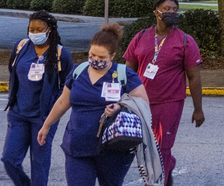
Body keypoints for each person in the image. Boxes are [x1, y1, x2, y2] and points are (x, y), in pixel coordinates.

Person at [37, 23, 149, 186]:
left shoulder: (125, 75)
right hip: (77, 146)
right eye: (92, 55)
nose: (95, 60)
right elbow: (63, 101)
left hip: (114, 149)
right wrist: (46, 125)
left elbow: (143, 103)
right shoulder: (78, 72)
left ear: (112, 56)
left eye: (101, 57)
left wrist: (120, 106)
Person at [124, 0, 204, 186]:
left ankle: (155, 180)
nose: (171, 12)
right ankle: (167, 167)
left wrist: (198, 109)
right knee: (145, 147)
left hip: (170, 102)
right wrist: (123, 101)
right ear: (156, 12)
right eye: (166, 8)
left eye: (174, 9)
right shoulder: (141, 37)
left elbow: (194, 77)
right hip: (142, 102)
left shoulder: (185, 41)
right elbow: (127, 72)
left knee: (161, 147)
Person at [2, 10, 75, 186]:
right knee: (9, 159)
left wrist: (52, 110)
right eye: (32, 29)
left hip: (44, 118)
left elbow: (68, 85)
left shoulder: (60, 54)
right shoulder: (20, 47)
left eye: (39, 29)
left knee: (39, 165)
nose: (35, 33)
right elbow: (13, 72)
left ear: (49, 30)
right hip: (18, 114)